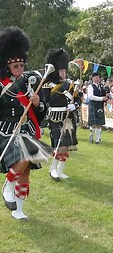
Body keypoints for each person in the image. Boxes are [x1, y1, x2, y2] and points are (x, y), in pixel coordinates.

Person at [0, 26, 47, 220]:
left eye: (22, 65)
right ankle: (7, 185)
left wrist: (38, 104)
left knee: (25, 172)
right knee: (23, 160)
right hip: (7, 131)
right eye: (15, 66)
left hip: (26, 129)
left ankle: (18, 210)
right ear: (7, 65)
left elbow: (43, 110)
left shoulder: (31, 82)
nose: (20, 69)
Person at [43, 48, 82, 181]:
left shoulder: (70, 85)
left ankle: (60, 170)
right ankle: (53, 169)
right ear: (56, 71)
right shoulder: (48, 85)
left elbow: (78, 99)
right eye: (61, 71)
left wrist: (74, 105)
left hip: (68, 119)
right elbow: (44, 102)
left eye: (65, 71)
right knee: (60, 146)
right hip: (55, 118)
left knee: (66, 147)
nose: (64, 73)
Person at [87, 72, 108, 144]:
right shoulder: (90, 86)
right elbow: (90, 97)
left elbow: (104, 95)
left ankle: (98, 139)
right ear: (92, 78)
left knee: (99, 124)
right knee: (93, 124)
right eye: (96, 77)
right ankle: (91, 136)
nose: (97, 79)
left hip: (100, 106)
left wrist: (107, 97)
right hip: (93, 106)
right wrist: (102, 98)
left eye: (98, 77)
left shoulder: (101, 87)